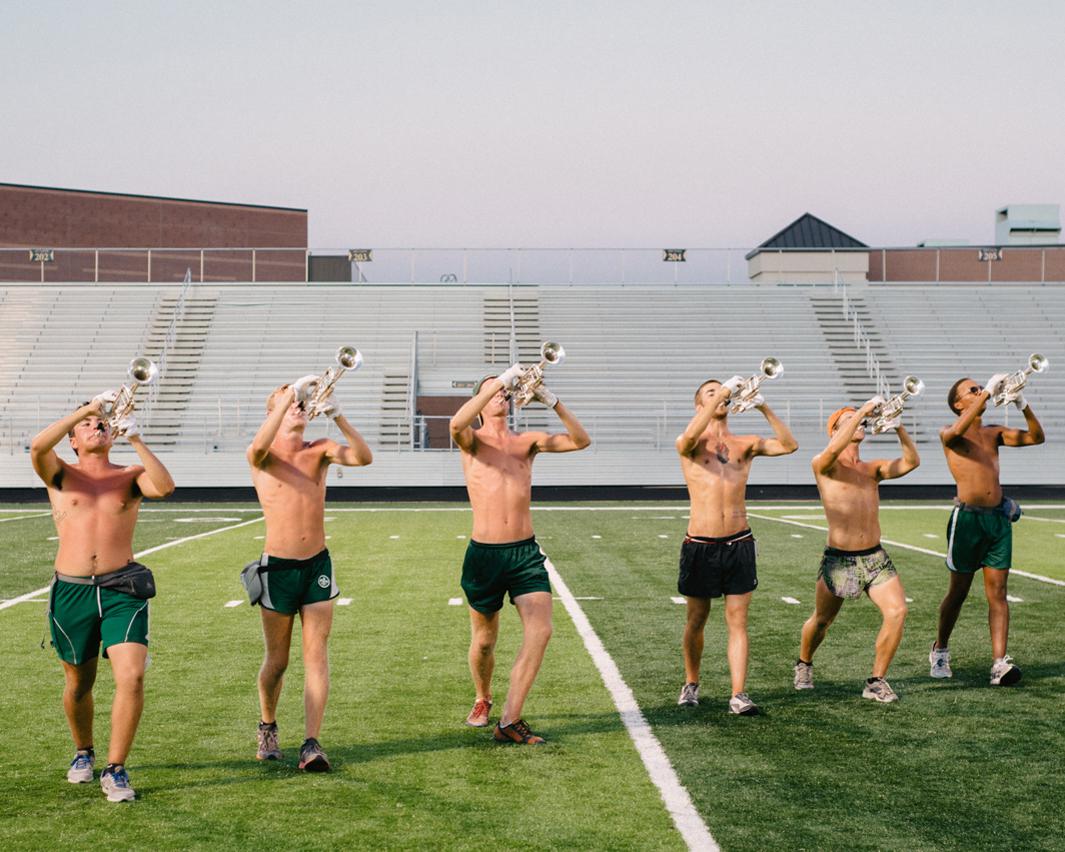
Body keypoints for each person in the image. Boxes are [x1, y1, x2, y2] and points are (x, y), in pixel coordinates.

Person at [31, 398, 175, 802]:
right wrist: (82, 410)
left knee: (131, 675)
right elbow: (39, 447)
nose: (98, 427)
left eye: (103, 423)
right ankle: (83, 753)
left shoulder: (130, 474)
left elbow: (164, 487)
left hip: (121, 590)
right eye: (89, 425)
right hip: (71, 592)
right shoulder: (60, 472)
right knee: (79, 683)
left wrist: (136, 437)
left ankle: (116, 768)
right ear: (74, 439)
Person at [449, 366, 590, 744]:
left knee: (541, 630)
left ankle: (510, 719)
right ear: (480, 400)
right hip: (484, 555)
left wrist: (551, 400)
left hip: (524, 552)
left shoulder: (527, 440)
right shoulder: (472, 441)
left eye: (505, 392)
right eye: (493, 391)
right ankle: (483, 697)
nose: (502, 395)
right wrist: (497, 381)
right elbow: (455, 423)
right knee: (483, 641)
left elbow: (581, 440)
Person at [247, 378, 373, 770]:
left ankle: (312, 742)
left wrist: (338, 416)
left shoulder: (319, 450)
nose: (299, 405)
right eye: (287, 403)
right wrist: (285, 400)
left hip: (317, 564)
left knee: (316, 656)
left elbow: (363, 457)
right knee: (278, 661)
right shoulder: (264, 455)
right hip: (277, 568)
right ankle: (267, 723)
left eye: (301, 402)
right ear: (273, 413)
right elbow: (256, 449)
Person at [675, 376, 798, 715]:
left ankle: (739, 693)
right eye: (710, 393)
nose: (720, 396)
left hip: (739, 541)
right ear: (700, 405)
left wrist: (763, 406)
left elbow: (789, 445)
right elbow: (686, 438)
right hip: (700, 542)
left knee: (737, 621)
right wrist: (724, 391)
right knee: (696, 619)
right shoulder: (691, 443)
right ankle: (691, 683)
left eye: (722, 391)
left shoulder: (746, 443)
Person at [794, 400, 919, 702]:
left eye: (859, 420)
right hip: (840, 559)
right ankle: (804, 662)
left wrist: (898, 426)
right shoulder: (824, 464)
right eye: (849, 420)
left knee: (898, 611)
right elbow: (832, 451)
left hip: (875, 556)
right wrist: (862, 411)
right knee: (822, 621)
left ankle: (876, 681)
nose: (860, 423)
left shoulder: (871, 468)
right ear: (835, 430)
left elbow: (911, 462)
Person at [930, 374, 1044, 686]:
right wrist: (989, 392)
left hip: (997, 522)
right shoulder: (949, 433)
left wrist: (1023, 404)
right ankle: (940, 649)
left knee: (998, 593)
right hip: (967, 521)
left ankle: (999, 664)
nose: (982, 391)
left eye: (982, 387)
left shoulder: (993, 433)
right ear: (958, 403)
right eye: (974, 390)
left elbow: (1037, 436)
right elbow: (954, 432)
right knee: (959, 592)